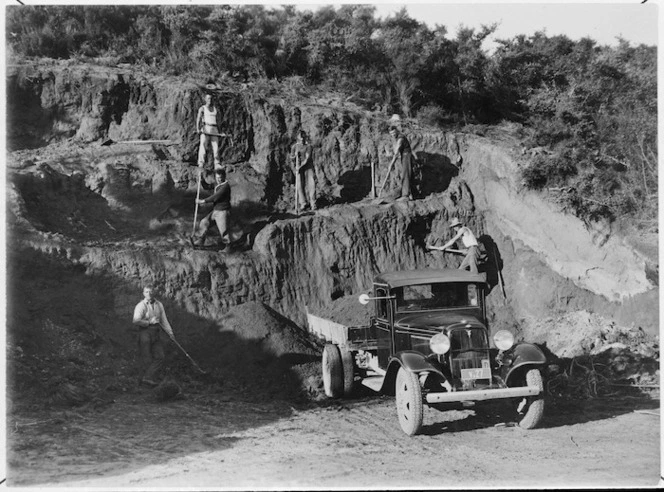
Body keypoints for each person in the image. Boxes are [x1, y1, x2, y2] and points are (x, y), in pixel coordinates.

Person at [132, 285, 174, 386]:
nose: (149, 294)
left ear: (154, 293)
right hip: (145, 332)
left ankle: (148, 377)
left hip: (156, 332)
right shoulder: (140, 305)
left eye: (151, 292)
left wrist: (170, 333)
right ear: (143, 293)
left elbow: (164, 320)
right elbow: (135, 320)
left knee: (160, 356)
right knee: (146, 356)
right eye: (147, 292)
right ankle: (142, 381)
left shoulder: (159, 305)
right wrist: (149, 322)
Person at [192, 167, 231, 247]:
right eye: (217, 178)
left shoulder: (225, 186)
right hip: (216, 210)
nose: (218, 179)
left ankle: (228, 247)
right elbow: (207, 187)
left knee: (223, 231)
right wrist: (201, 179)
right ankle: (200, 240)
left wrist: (202, 201)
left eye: (220, 178)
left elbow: (215, 197)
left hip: (222, 212)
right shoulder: (217, 184)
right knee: (204, 222)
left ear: (224, 177)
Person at [387, 126, 417, 201]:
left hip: (406, 156)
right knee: (406, 174)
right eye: (391, 133)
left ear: (396, 131)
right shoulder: (396, 137)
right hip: (404, 156)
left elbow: (396, 151)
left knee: (405, 174)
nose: (393, 134)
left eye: (394, 132)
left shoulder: (401, 138)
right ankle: (411, 194)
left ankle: (405, 195)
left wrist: (391, 164)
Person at [291, 130, 316, 212]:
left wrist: (300, 166)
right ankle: (303, 204)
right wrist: (295, 157)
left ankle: (313, 204)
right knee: (299, 186)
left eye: (303, 137)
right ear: (297, 138)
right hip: (298, 167)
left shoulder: (309, 146)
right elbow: (291, 158)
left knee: (311, 184)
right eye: (300, 137)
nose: (302, 139)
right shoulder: (294, 147)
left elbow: (307, 158)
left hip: (308, 167)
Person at [197, 93, 222, 171]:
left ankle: (217, 163)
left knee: (216, 147)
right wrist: (198, 128)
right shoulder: (202, 108)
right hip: (206, 129)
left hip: (214, 129)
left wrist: (220, 131)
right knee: (203, 146)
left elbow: (218, 121)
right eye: (208, 98)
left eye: (211, 98)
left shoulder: (215, 109)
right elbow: (198, 119)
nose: (210, 100)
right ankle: (201, 163)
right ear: (205, 99)